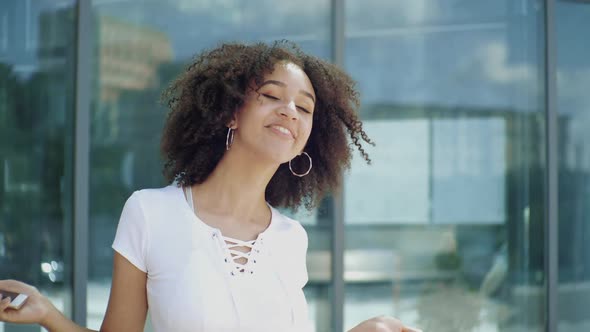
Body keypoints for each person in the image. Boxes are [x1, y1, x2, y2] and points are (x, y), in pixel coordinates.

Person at [0, 41, 419, 332]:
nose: (290, 110)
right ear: (231, 113)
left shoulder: (292, 239)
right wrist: (48, 315)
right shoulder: (150, 213)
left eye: (304, 107)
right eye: (272, 96)